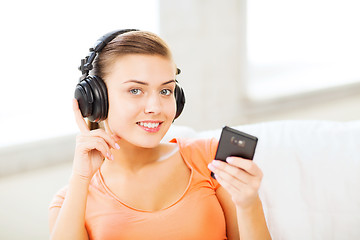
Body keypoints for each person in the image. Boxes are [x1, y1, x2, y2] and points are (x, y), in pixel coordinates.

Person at [48, 29, 271, 240]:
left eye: (166, 91)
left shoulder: (211, 159)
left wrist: (248, 203)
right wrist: (81, 179)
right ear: (95, 101)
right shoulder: (70, 200)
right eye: (135, 90)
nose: (155, 107)